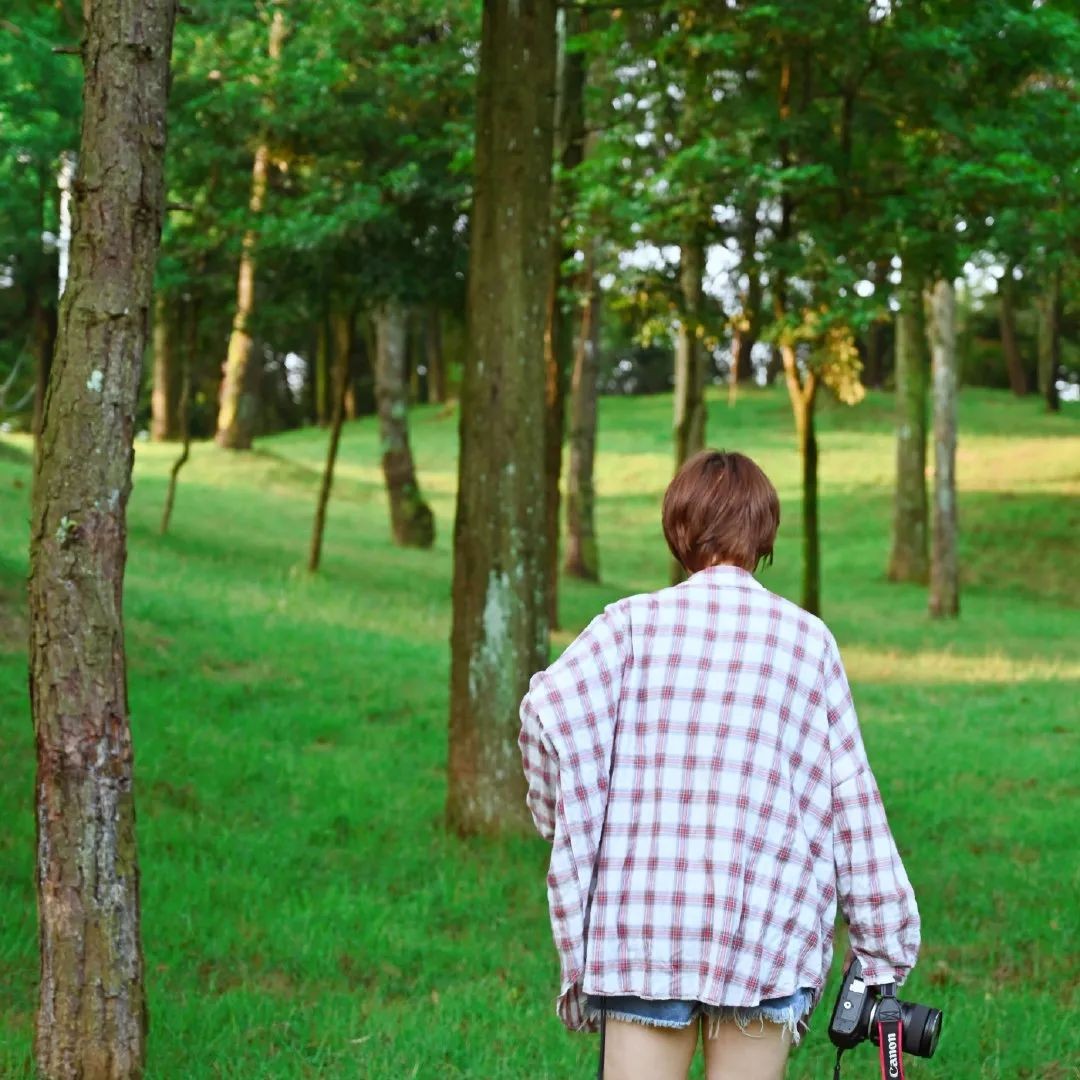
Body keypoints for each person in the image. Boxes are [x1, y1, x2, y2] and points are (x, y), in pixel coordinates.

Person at [518, 450, 920, 1080]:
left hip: (645, 931)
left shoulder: (628, 626)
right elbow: (852, 802)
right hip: (766, 932)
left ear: (678, 529)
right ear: (764, 534)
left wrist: (559, 819)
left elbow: (544, 717)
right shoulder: (806, 641)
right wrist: (883, 944)